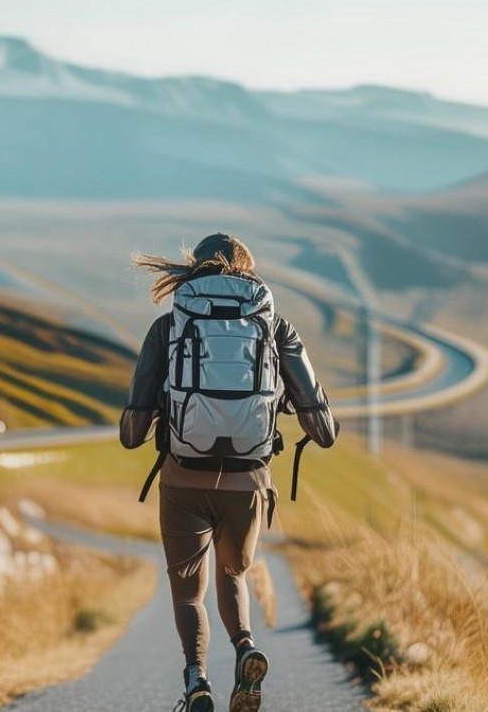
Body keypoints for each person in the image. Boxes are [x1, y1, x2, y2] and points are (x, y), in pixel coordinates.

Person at [121, 233, 336, 712]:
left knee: (188, 594)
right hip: (249, 481)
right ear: (249, 272)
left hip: (183, 478)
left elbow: (132, 434)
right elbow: (322, 430)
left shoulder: (168, 327)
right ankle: (245, 648)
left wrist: (154, 412)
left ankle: (196, 679)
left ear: (193, 270)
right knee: (234, 574)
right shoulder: (275, 326)